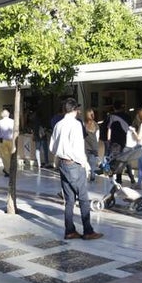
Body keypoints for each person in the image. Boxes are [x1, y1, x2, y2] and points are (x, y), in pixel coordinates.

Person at [50, 98, 102, 241]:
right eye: (78, 109)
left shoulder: (58, 125)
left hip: (62, 163)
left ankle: (70, 231)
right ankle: (88, 231)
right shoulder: (76, 125)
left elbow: (52, 147)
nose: (79, 111)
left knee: (69, 200)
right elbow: (78, 148)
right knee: (84, 199)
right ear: (74, 110)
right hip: (74, 164)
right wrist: (84, 164)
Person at [0, 108, 16, 177]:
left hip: (3, 141)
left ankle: (8, 171)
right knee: (12, 156)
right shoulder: (13, 121)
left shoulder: (0, 122)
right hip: (12, 141)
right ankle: (10, 170)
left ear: (2, 115)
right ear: (8, 115)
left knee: (5, 157)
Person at [83, 108, 100, 179]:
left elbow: (82, 136)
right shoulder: (96, 125)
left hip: (85, 146)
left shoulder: (83, 125)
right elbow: (98, 136)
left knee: (85, 162)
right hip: (94, 146)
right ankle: (92, 176)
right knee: (92, 163)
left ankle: (86, 175)